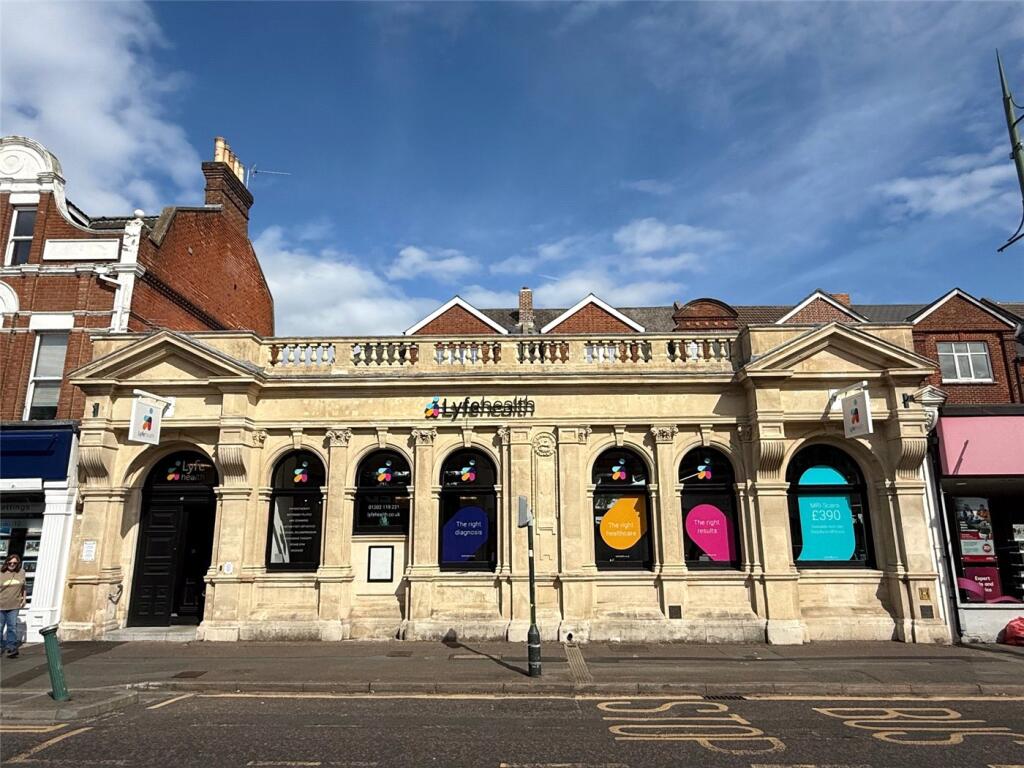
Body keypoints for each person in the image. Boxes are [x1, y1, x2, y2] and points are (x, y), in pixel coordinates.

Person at [0, 554, 27, 658]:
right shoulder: (1, 572)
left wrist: (24, 599)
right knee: (0, 627)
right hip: (1, 604)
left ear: (18, 563)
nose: (12, 565)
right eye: (10, 562)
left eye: (14, 563)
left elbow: (24, 587)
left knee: (12, 627)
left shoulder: (21, 572)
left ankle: (11, 648)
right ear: (6, 562)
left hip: (14, 604)